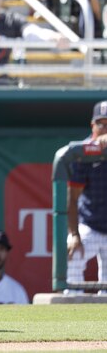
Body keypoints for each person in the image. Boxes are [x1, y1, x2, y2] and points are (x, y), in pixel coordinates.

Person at [66, 100, 107, 295]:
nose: (106, 129)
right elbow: (72, 199)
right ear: (93, 125)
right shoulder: (82, 152)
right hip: (90, 225)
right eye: (102, 124)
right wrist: (74, 235)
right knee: (73, 254)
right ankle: (72, 307)